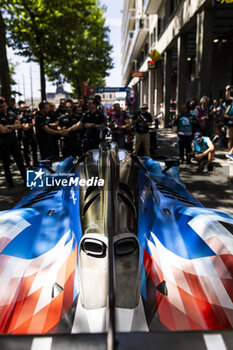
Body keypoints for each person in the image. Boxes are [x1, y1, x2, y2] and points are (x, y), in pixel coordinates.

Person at [0, 99, 26, 187]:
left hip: (13, 142)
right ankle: (10, 182)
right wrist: (13, 127)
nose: (3, 108)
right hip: (3, 144)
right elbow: (2, 131)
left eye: (4, 106)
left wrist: (8, 126)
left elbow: (19, 126)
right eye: (1, 107)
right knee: (6, 163)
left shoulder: (12, 114)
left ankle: (26, 180)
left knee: (20, 161)